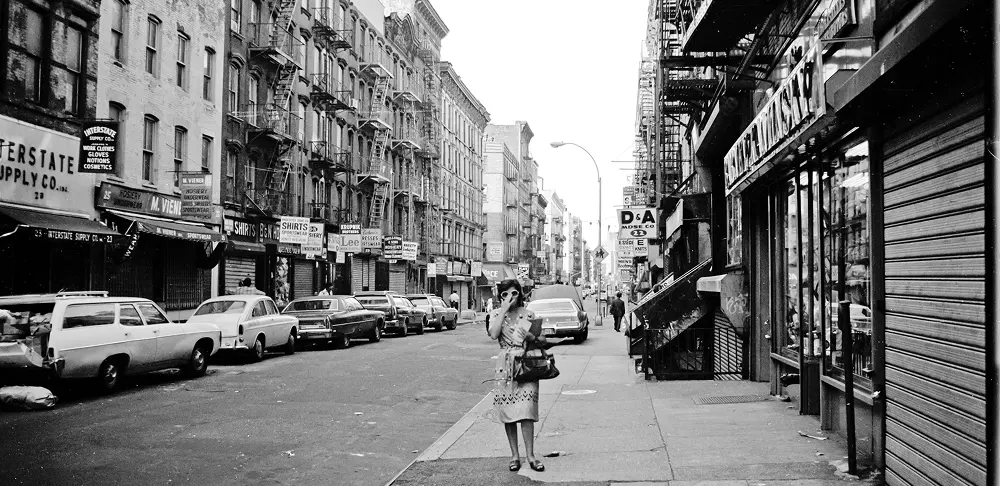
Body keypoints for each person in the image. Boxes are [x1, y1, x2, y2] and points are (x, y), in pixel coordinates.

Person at [488, 278, 547, 473]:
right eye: (505, 294)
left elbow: (542, 339)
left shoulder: (528, 314)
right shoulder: (496, 314)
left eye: (514, 293)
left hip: (526, 363)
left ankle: (531, 456)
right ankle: (515, 456)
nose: (510, 297)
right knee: (509, 413)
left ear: (520, 294)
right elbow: (494, 334)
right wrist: (503, 309)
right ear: (500, 296)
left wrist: (530, 337)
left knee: (527, 411)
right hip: (505, 366)